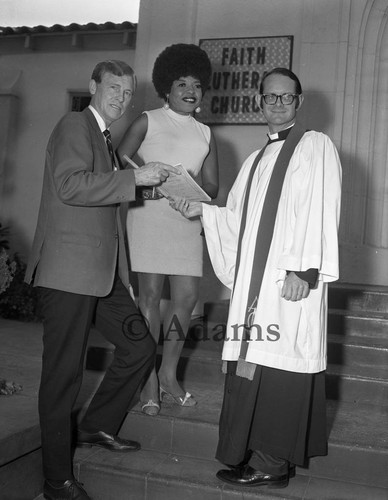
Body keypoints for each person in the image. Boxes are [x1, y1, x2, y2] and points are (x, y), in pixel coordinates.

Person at [172, 67, 342, 489]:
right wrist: (203, 212)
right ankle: (250, 455)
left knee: (280, 365)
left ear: (299, 102)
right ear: (258, 102)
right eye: (270, 97)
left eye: (287, 97)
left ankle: (272, 464)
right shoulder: (255, 160)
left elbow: (323, 207)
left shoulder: (314, 146)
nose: (278, 104)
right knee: (254, 366)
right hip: (256, 287)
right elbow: (237, 221)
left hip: (289, 280)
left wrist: (304, 269)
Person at [25, 60, 180, 500]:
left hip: (103, 276)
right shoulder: (75, 124)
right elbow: (71, 186)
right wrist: (135, 177)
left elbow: (106, 209)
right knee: (63, 378)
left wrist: (147, 185)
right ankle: (56, 481)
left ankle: (95, 426)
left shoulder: (106, 140)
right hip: (68, 274)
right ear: (94, 86)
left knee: (140, 345)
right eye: (114, 88)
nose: (121, 98)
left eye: (129, 93)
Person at [117, 44, 218, 416]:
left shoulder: (206, 133)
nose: (190, 90)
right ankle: (148, 382)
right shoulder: (147, 120)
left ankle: (170, 373)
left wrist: (191, 190)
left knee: (187, 299)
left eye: (195, 84)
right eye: (181, 83)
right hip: (149, 217)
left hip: (185, 218)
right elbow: (120, 165)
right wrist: (150, 182)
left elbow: (213, 187)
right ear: (166, 88)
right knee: (149, 300)